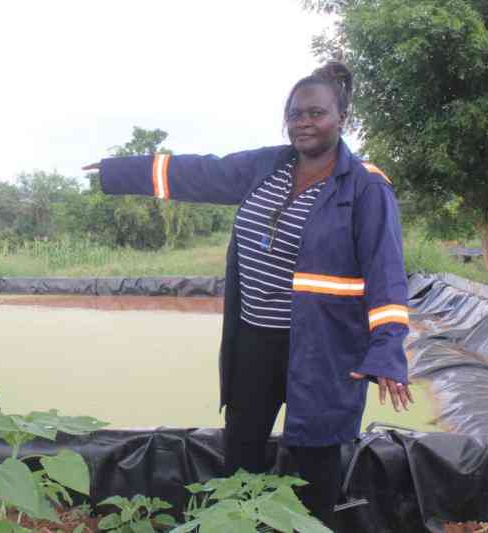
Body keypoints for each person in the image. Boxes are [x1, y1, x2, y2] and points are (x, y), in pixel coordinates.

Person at [83, 62, 413, 530]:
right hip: (254, 339)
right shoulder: (268, 165)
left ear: (342, 119)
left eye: (316, 113)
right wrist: (121, 172)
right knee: (240, 450)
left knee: (315, 462)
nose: (303, 122)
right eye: (295, 113)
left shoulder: (366, 186)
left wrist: (387, 349)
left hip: (323, 349)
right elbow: (201, 173)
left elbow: (387, 273)